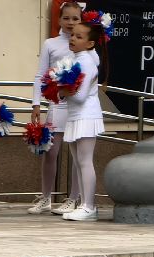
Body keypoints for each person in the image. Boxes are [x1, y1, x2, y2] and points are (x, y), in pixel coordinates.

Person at [28, 1, 83, 214]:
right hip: (56, 104)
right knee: (50, 152)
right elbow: (40, 75)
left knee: (77, 155)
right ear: (59, 20)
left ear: (81, 20)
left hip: (77, 106)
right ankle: (46, 197)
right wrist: (36, 103)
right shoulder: (50, 44)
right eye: (66, 18)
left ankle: (73, 198)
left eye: (75, 18)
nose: (70, 23)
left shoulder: (86, 43)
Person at [59, 14, 107, 221]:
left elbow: (79, 96)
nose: (73, 38)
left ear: (90, 44)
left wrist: (60, 90)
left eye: (79, 37)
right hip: (76, 115)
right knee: (78, 162)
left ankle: (89, 206)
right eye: (72, 35)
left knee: (85, 161)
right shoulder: (77, 58)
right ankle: (82, 203)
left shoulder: (87, 61)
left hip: (86, 115)